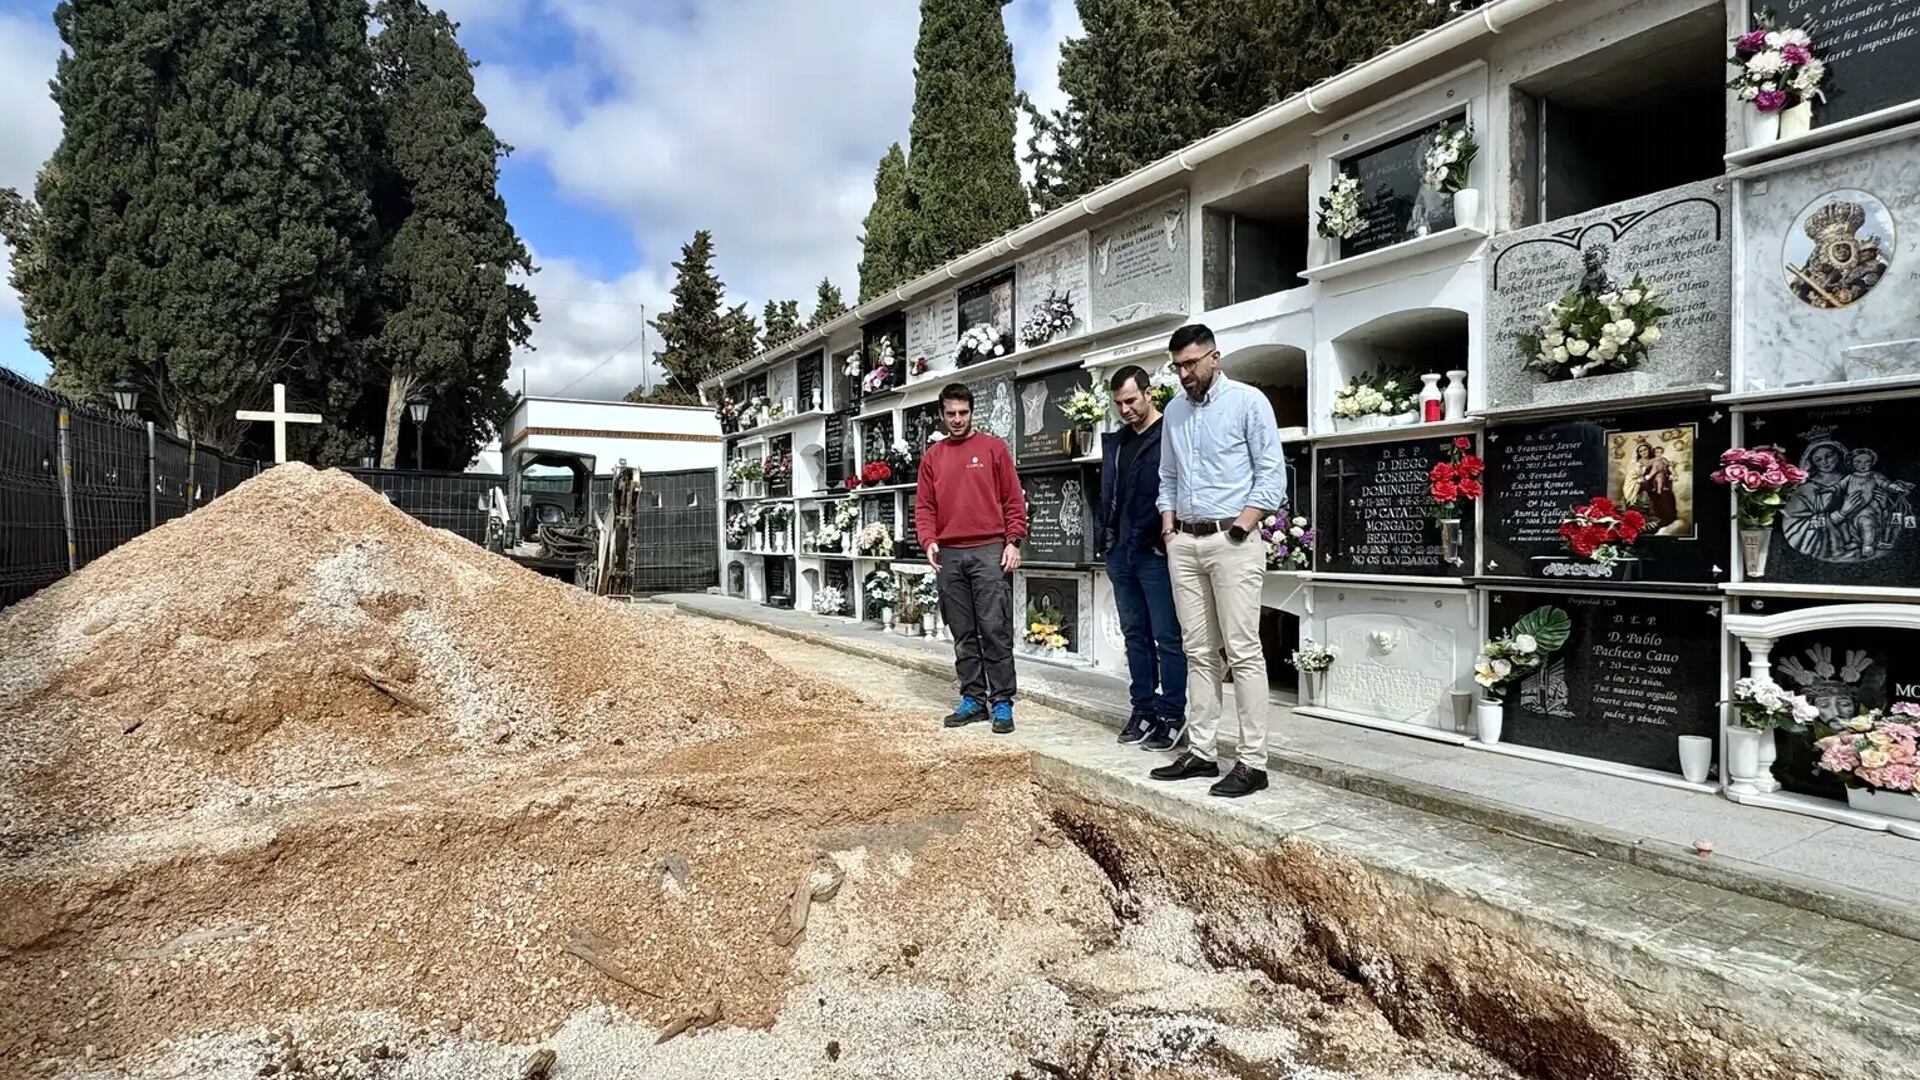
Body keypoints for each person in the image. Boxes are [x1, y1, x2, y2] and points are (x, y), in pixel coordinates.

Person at [1149, 324, 1285, 798]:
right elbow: (1167, 475)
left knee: (1243, 651)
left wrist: (1241, 527)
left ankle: (1253, 762)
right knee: (1198, 651)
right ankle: (1202, 752)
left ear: (1214, 357)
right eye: (1177, 366)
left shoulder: (1248, 402)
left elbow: (1271, 475)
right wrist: (1169, 528)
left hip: (1233, 539)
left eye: (1191, 363)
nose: (1184, 374)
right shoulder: (1173, 410)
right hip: (1184, 542)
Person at [914, 382, 1028, 734]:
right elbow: (924, 507)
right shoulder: (933, 457)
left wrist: (1013, 541)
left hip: (989, 551)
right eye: (951, 413)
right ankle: (973, 699)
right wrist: (929, 540)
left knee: (994, 629)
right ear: (941, 414)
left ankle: (1002, 701)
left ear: (972, 412)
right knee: (962, 632)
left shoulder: (993, 449)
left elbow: (1013, 499)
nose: (957, 419)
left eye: (963, 413)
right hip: (949, 555)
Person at [1097, 365, 1186, 751]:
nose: (1125, 409)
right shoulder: (1117, 442)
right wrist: (1107, 542)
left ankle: (1172, 714)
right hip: (1122, 552)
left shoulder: (1171, 432)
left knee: (1167, 637)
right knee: (1134, 635)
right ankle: (1143, 709)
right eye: (1118, 403)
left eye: (1131, 400)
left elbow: (1181, 486)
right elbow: (1109, 495)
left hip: (1155, 552)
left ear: (1149, 394)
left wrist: (1168, 538)